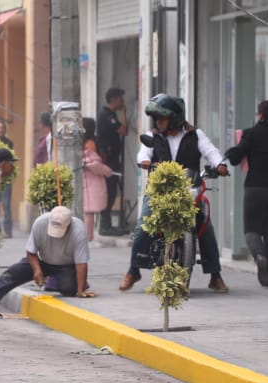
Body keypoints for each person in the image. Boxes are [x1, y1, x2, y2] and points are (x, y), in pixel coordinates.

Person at [120, 94, 231, 293]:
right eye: (157, 119)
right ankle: (133, 269)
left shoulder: (195, 135)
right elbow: (142, 155)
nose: (158, 122)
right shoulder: (153, 137)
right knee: (143, 225)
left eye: (162, 118)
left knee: (205, 226)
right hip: (159, 192)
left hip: (190, 190)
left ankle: (215, 275)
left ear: (175, 118)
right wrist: (146, 162)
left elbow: (211, 151)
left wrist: (220, 164)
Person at [0, 206, 95, 318]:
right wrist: (37, 270)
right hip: (42, 261)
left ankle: (78, 283)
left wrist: (80, 290)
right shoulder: (40, 223)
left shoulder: (78, 230)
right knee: (12, 274)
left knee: (68, 288)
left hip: (66, 265)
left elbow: (81, 263)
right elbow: (31, 251)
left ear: (69, 224)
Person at [225, 98, 268, 287]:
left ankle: (259, 256)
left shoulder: (250, 134)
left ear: (260, 114)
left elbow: (236, 157)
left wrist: (230, 152)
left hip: (254, 188)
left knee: (251, 230)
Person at [96, 87, 129, 234]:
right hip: (108, 159)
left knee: (112, 189)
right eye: (120, 99)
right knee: (109, 190)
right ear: (114, 99)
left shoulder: (109, 114)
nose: (122, 102)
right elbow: (124, 130)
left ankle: (109, 224)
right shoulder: (108, 115)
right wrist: (124, 114)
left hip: (112, 157)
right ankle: (105, 226)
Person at [81, 117, 114, 238]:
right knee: (89, 211)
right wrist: (107, 171)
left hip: (86, 181)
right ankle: (87, 236)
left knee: (88, 211)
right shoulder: (90, 143)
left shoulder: (81, 142)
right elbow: (94, 164)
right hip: (92, 182)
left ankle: (87, 235)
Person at [0, 120, 16, 238]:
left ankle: (8, 231)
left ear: (5, 130)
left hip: (5, 179)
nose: (0, 130)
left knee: (6, 205)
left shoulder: (9, 143)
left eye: (2, 128)